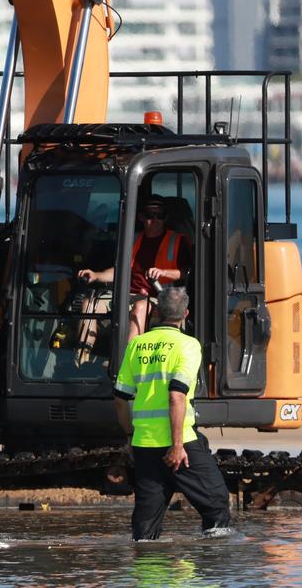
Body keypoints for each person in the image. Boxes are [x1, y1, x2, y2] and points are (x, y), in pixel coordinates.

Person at [112, 287, 230, 541]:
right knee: (217, 504)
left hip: (144, 444)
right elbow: (176, 395)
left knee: (146, 524)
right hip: (180, 443)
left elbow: (121, 397)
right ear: (185, 314)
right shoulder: (187, 345)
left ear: (155, 311)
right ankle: (212, 567)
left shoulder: (137, 345)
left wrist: (130, 433)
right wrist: (177, 445)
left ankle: (148, 572)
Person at [78, 195, 189, 338]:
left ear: (165, 218)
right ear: (141, 217)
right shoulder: (132, 239)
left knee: (140, 307)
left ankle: (127, 358)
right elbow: (119, 271)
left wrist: (163, 272)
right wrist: (95, 275)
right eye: (150, 215)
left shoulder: (178, 240)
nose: (155, 220)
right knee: (89, 305)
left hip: (160, 297)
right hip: (127, 295)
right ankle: (81, 356)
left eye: (160, 215)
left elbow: (187, 272)